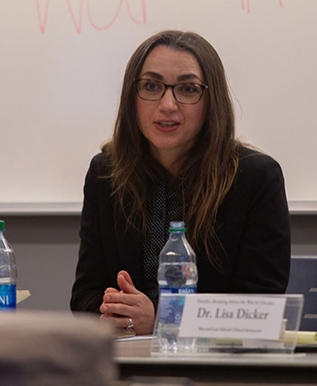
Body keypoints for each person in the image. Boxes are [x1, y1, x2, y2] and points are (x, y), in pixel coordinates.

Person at [70, 30, 291, 335]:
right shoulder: (106, 173)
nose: (168, 104)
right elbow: (85, 296)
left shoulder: (255, 177)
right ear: (131, 97)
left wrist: (163, 321)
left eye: (187, 89)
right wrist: (116, 312)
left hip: (219, 371)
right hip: (128, 363)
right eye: (151, 86)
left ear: (211, 101)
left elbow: (259, 308)